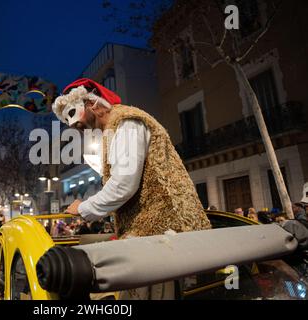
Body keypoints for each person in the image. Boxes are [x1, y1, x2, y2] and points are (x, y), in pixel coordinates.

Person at [54, 78, 211, 299]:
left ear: (90, 104)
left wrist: (83, 208)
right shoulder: (114, 130)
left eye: (71, 113)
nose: (71, 124)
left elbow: (123, 185)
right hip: (149, 240)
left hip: (161, 237)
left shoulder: (127, 123)